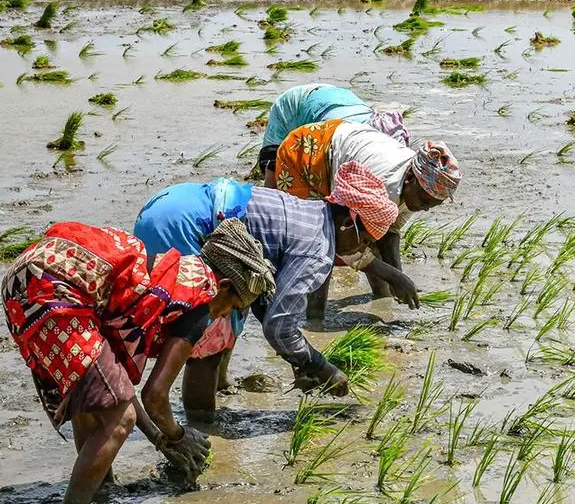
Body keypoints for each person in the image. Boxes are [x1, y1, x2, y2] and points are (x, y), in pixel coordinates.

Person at [2, 219, 274, 504]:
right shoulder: (199, 300)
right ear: (223, 287)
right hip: (56, 289)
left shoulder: (168, 275)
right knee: (119, 421)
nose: (225, 315)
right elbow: (154, 396)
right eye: (233, 306)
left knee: (96, 400)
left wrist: (160, 440)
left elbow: (119, 392)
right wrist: (178, 437)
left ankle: (101, 492)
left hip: (25, 277)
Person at [134, 172, 397, 421]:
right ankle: (201, 426)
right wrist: (321, 367)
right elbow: (278, 325)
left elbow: (265, 297)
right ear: (346, 225)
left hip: (169, 204)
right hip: (186, 228)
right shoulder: (317, 251)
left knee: (229, 308)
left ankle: (207, 396)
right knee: (209, 337)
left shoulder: (313, 212)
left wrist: (297, 360)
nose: (361, 249)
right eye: (363, 242)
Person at [271, 119, 462, 316]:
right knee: (321, 241)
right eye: (424, 202)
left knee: (370, 235)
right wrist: (393, 276)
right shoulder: (384, 186)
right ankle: (314, 316)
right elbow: (343, 241)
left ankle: (382, 300)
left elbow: (390, 230)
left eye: (431, 205)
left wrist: (397, 275)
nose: (425, 209)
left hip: (343, 145)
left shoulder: (419, 187)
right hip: (305, 153)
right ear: (411, 179)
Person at [257, 83, 410, 184]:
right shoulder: (340, 141)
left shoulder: (389, 149)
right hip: (297, 103)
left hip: (339, 99)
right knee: (274, 168)